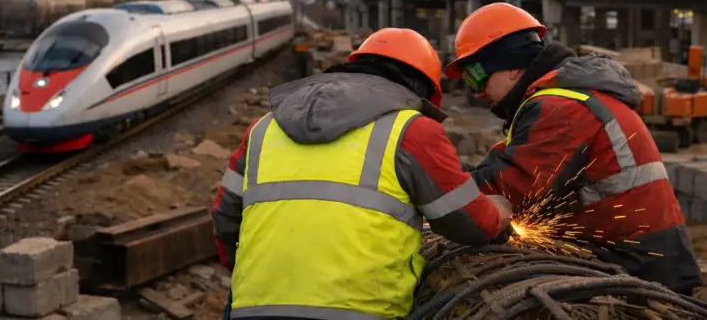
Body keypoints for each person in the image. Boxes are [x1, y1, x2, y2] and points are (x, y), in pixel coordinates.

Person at [212, 27, 514, 320]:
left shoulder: (262, 129)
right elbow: (466, 222)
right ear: (421, 89)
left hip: (255, 309)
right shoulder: (411, 130)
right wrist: (498, 213)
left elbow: (225, 220)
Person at [444, 2, 703, 294]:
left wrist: (438, 185)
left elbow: (510, 188)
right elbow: (505, 164)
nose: (476, 91)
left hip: (639, 265)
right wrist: (459, 174)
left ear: (514, 66)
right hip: (636, 254)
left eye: (477, 75)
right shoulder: (564, 99)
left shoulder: (562, 107)